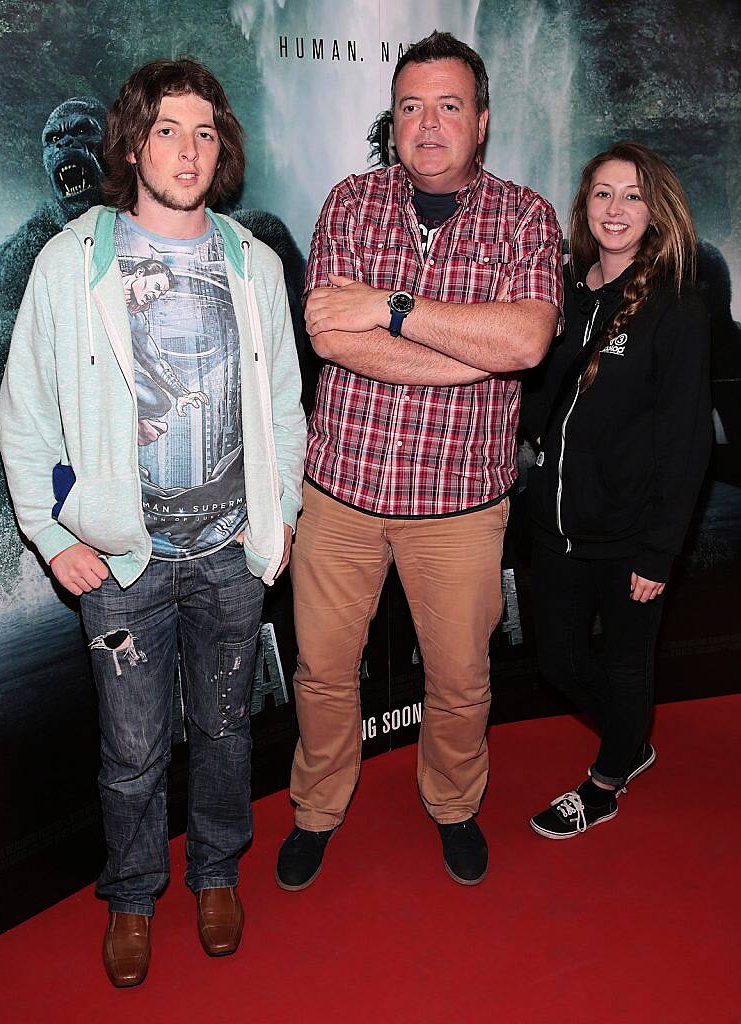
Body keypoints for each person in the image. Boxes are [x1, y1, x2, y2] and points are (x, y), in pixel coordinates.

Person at [0, 59, 306, 986]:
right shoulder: (70, 261)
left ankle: (215, 874)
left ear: (225, 151)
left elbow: (285, 407)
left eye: (205, 131)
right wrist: (54, 536)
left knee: (223, 730)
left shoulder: (251, 261)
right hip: (125, 566)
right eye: (168, 129)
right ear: (131, 144)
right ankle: (133, 894)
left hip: (229, 559)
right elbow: (24, 413)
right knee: (130, 751)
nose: (188, 148)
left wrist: (277, 520)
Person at [275, 31, 563, 891]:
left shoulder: (527, 216)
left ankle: (453, 804)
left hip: (462, 507)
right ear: (392, 121)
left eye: (447, 106)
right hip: (341, 494)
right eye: (410, 107)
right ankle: (317, 808)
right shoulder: (349, 203)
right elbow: (330, 334)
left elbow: (526, 340)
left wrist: (391, 306)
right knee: (323, 671)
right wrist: (469, 347)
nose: (427, 123)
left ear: (480, 122)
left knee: (462, 678)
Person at [522, 142, 711, 839]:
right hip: (556, 528)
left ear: (654, 210)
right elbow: (539, 408)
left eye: (631, 195)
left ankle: (604, 783)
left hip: (631, 536)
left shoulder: (673, 308)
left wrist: (660, 553)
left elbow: (687, 440)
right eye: (602, 193)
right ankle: (631, 738)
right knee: (559, 661)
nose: (615, 208)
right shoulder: (566, 298)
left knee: (627, 663)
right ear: (584, 207)